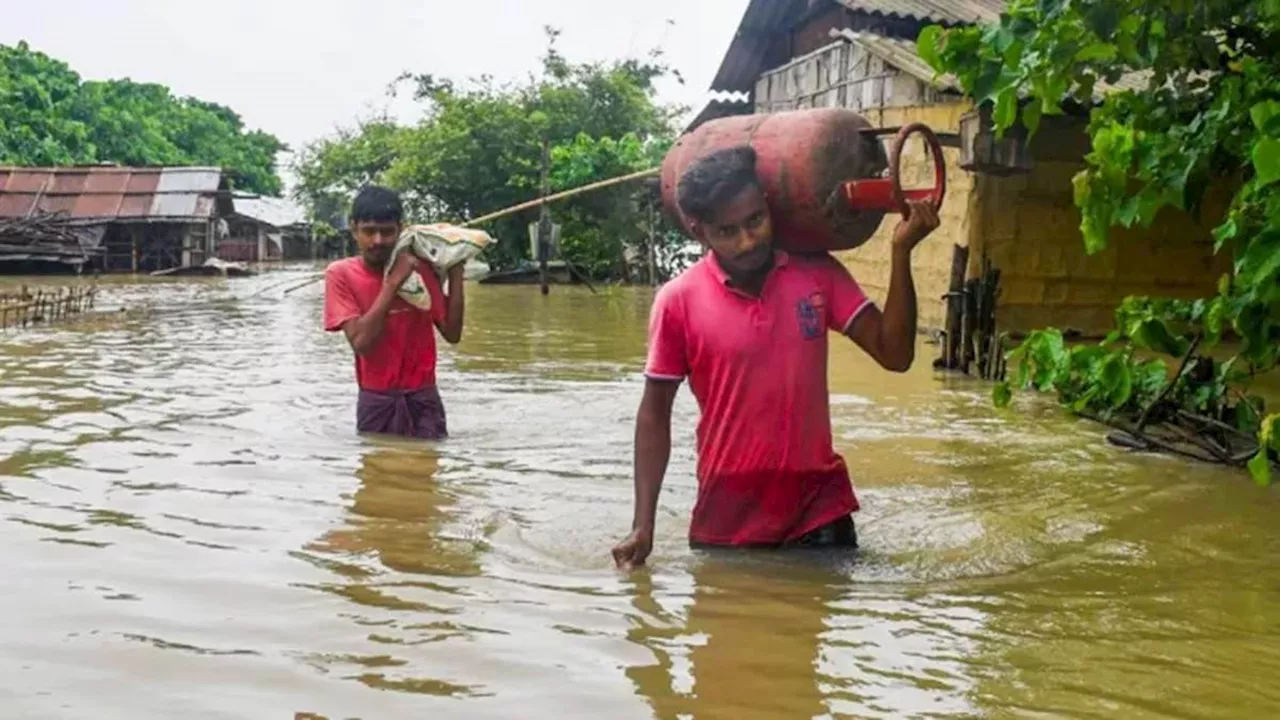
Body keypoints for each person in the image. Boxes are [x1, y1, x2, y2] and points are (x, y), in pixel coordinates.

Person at [611, 145, 939, 569]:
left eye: (755, 221)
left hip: (819, 510)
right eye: (728, 231)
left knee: (809, 631)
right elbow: (654, 416)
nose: (748, 240)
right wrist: (643, 525)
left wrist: (901, 253)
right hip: (726, 518)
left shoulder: (817, 274)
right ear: (699, 231)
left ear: (768, 206)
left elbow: (895, 355)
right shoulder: (678, 301)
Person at [323, 185, 465, 439]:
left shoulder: (421, 268)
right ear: (354, 229)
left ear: (401, 229)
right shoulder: (340, 274)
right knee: (378, 475)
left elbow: (452, 333)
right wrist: (392, 284)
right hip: (376, 401)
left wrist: (455, 270)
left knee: (426, 475)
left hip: (424, 399)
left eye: (387, 232)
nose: (378, 241)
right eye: (369, 232)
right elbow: (361, 343)